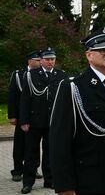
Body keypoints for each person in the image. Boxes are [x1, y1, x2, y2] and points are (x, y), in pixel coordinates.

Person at [50, 28, 105, 195]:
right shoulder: (73, 87)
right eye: (103, 50)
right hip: (87, 177)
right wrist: (64, 185)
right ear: (89, 55)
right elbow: (59, 140)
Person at [19, 47, 67, 193]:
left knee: (50, 152)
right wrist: (24, 120)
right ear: (41, 60)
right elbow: (25, 100)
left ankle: (50, 180)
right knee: (31, 153)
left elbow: (65, 100)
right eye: (47, 59)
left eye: (52, 59)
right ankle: (28, 182)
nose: (50, 62)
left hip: (54, 121)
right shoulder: (30, 75)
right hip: (34, 121)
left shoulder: (61, 75)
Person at [7, 51, 42, 182]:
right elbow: (12, 96)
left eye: (40, 60)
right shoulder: (18, 74)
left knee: (34, 145)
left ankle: (33, 169)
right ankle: (17, 170)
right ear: (29, 61)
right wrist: (12, 115)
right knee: (19, 144)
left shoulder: (40, 74)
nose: (40, 62)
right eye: (37, 60)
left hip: (36, 117)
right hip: (21, 116)